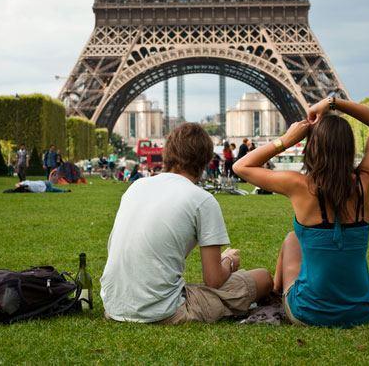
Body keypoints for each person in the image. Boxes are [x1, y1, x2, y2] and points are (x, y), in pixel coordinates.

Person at [233, 96, 369, 327]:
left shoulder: (299, 186)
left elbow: (240, 166)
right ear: (349, 146)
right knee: (295, 239)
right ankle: (277, 294)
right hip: (361, 311)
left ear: (312, 146)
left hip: (309, 311)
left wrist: (285, 141)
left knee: (292, 239)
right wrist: (333, 102)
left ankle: (275, 296)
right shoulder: (366, 183)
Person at [101, 123, 272, 324]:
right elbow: (214, 280)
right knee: (263, 277)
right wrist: (229, 261)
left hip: (113, 305)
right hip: (161, 311)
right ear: (205, 160)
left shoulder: (135, 187)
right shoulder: (202, 200)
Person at [3, 180, 70, 193]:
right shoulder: (26, 182)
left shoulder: (27, 185)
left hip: (44, 186)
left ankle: (64, 191)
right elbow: (17, 184)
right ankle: (64, 191)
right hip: (44, 182)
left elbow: (17, 184)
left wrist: (18, 186)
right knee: (54, 190)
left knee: (54, 190)